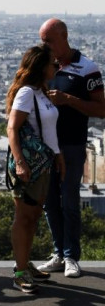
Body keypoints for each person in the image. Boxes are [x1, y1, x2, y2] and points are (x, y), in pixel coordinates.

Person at [38, 18, 105, 278]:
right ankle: (58, 253)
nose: (44, 45)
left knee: (70, 200)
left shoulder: (87, 68)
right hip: (46, 147)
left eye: (48, 40)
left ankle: (70, 256)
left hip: (72, 145)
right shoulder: (45, 67)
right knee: (50, 202)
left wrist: (68, 100)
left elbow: (101, 109)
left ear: (64, 36)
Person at [6, 45, 64, 293]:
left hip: (43, 163)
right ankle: (19, 272)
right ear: (41, 67)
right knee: (24, 217)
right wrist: (19, 162)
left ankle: (24, 263)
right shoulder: (27, 93)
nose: (57, 67)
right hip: (29, 165)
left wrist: (58, 156)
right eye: (53, 63)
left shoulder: (41, 92)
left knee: (33, 217)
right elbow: (12, 128)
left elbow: (47, 130)